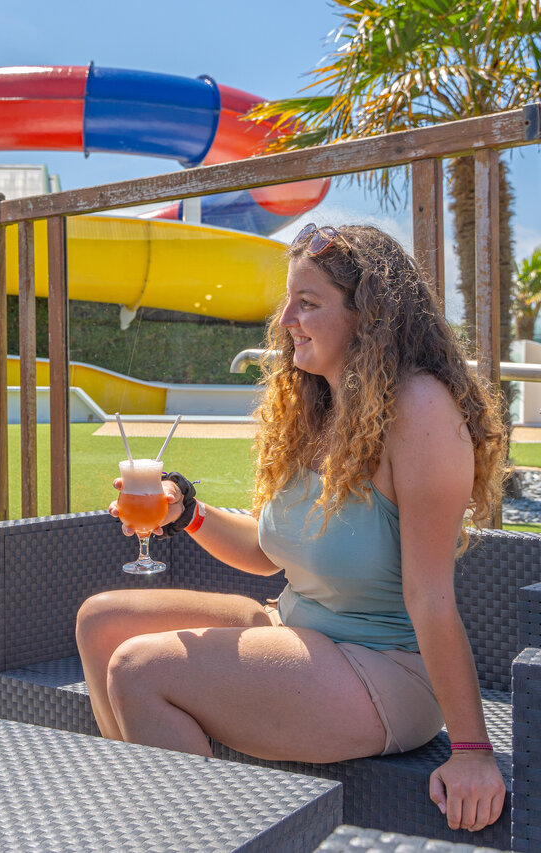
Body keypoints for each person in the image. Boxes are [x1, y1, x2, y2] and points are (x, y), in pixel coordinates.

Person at [75, 224, 508, 834]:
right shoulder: (319, 409)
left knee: (142, 670)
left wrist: (473, 752)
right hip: (299, 629)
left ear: (371, 317)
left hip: (386, 668)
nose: (285, 320)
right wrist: (186, 511)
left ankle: (194, 835)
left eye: (308, 303)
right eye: (288, 301)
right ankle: (162, 818)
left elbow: (430, 597)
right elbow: (265, 551)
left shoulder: (420, 409)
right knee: (102, 621)